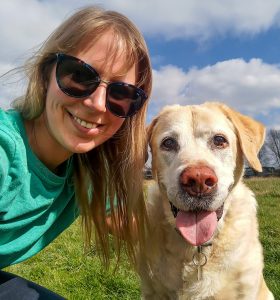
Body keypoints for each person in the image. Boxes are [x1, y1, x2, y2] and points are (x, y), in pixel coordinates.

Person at [0, 5, 152, 299]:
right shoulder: (5, 153)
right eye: (80, 76)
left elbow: (135, 228)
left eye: (120, 94)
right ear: (46, 75)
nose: (97, 103)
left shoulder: (86, 171)